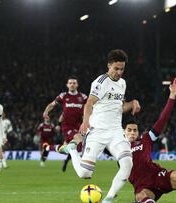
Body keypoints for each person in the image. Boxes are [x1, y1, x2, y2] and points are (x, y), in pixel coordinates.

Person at [59, 49, 141, 203]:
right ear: (109, 66)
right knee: (84, 174)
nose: (119, 72)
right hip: (97, 131)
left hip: (116, 131)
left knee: (127, 163)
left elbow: (119, 107)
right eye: (116, 68)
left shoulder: (122, 83)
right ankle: (72, 150)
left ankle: (108, 199)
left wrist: (132, 103)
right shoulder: (100, 82)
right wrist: (85, 122)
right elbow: (89, 102)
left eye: (122, 69)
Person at [43, 76, 87, 171]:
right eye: (70, 83)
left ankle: (47, 148)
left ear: (77, 85)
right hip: (67, 127)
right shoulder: (63, 96)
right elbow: (52, 104)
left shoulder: (82, 97)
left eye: (74, 83)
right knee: (79, 139)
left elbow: (91, 106)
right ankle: (81, 167)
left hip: (79, 126)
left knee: (66, 149)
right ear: (67, 85)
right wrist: (46, 112)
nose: (72, 84)